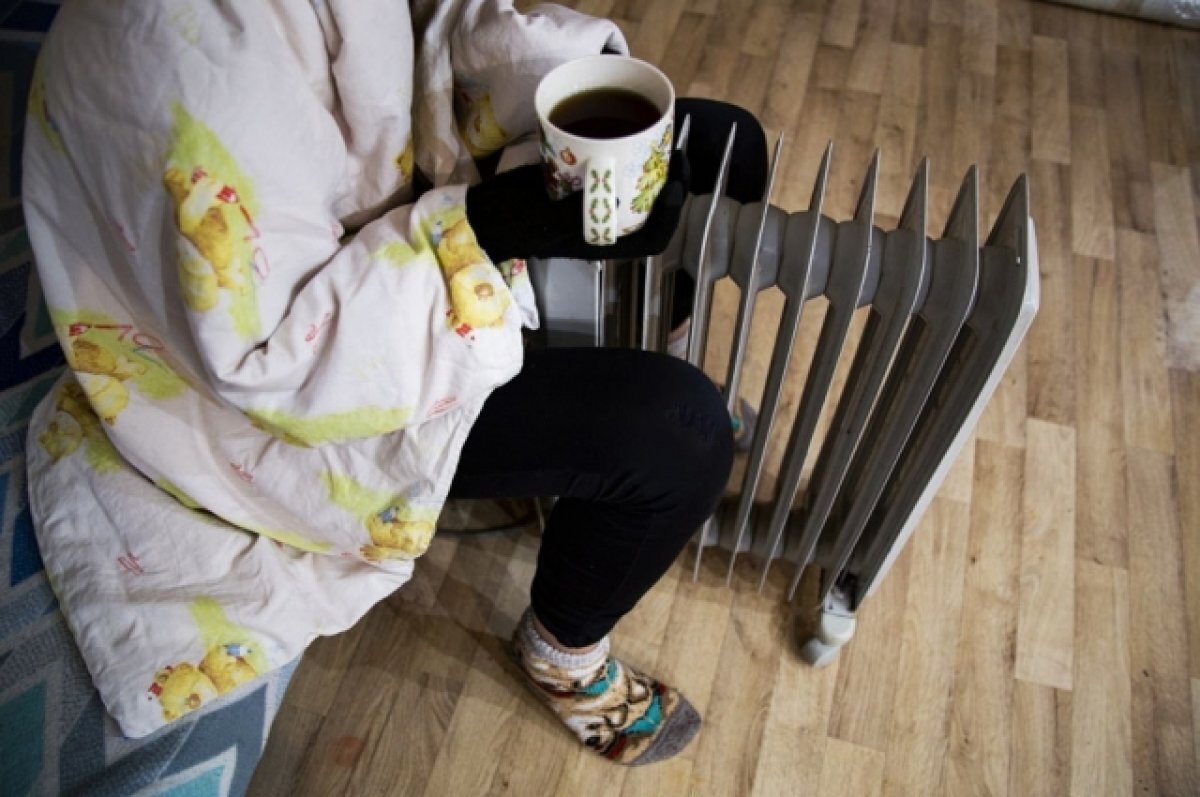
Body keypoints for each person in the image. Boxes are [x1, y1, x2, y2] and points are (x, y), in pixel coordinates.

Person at [23, 0, 732, 765]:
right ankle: (563, 654)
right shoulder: (185, 58)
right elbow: (279, 364)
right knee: (681, 436)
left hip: (370, 255)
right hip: (268, 400)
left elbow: (422, 23)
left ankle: (642, 349)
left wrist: (572, 78)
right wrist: (485, 227)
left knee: (723, 140)